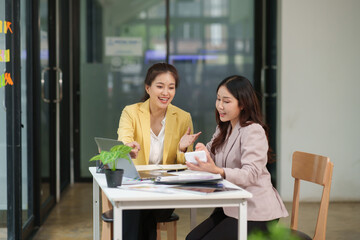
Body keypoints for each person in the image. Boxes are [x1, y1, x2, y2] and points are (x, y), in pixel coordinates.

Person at [185, 75, 288, 240]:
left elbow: (250, 174)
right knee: (192, 238)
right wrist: (192, 148)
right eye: (218, 99)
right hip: (231, 206)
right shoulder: (223, 128)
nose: (220, 106)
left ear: (242, 104)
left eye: (226, 101)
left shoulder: (253, 130)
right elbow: (210, 155)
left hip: (256, 211)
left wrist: (218, 171)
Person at [114, 62, 201, 240]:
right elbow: (124, 138)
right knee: (137, 207)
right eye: (160, 86)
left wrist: (182, 148)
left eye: (171, 87)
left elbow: (188, 166)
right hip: (136, 189)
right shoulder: (131, 112)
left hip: (166, 192)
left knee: (136, 209)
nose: (165, 93)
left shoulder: (183, 118)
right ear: (148, 88)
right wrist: (127, 148)